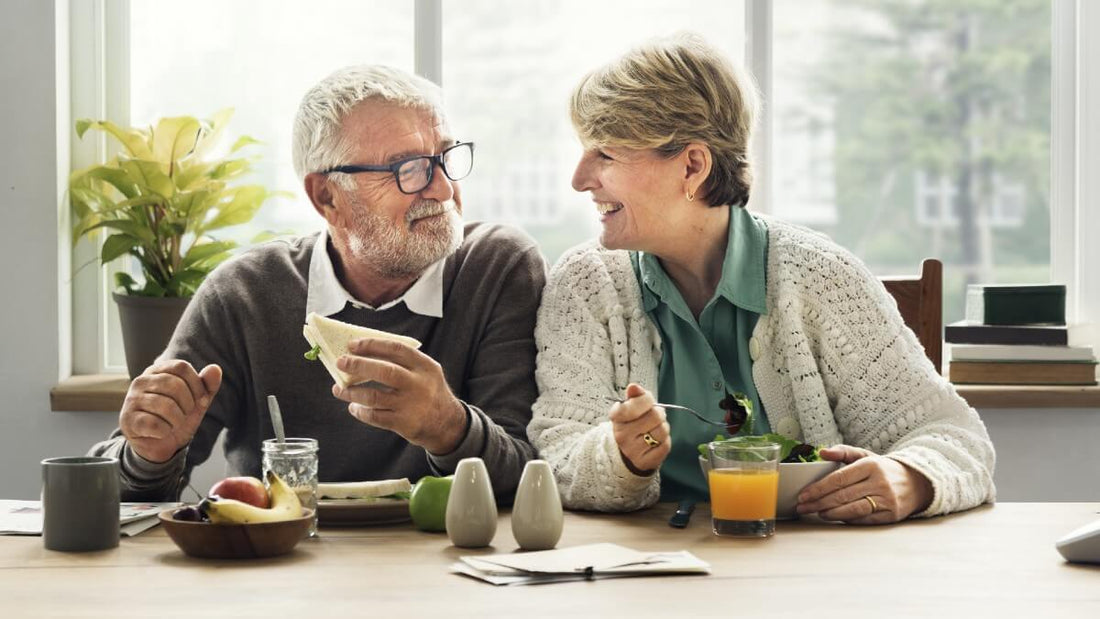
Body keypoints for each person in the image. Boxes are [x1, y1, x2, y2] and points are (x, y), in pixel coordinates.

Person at [528, 34, 995, 523]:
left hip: (809, 573)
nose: (580, 179)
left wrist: (912, 477)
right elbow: (555, 455)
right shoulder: (586, 284)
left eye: (604, 154)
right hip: (641, 576)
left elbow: (954, 436)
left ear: (692, 165)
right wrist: (620, 457)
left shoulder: (823, 278)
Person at [90, 65, 546, 501]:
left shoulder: (497, 268)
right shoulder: (245, 294)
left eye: (445, 157)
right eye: (408, 169)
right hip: (277, 563)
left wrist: (448, 427)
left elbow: (531, 481)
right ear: (326, 196)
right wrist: (148, 453)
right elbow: (117, 496)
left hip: (445, 564)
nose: (444, 190)